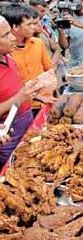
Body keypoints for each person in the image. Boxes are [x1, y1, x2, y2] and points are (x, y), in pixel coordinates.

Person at [0, 15, 41, 167]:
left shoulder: (8, 57)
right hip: (8, 136)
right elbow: (17, 96)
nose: (12, 38)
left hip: (27, 124)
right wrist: (18, 98)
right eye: (5, 35)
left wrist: (37, 95)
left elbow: (15, 86)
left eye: (10, 32)